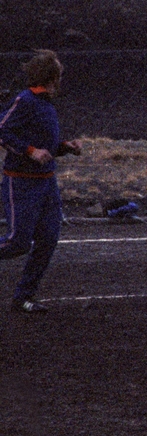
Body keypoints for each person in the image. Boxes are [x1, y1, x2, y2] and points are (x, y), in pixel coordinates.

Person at [0, 50, 82, 314]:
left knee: (48, 239)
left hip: (47, 184)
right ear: (51, 76)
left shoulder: (45, 105)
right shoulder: (25, 101)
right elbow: (2, 131)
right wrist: (30, 151)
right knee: (18, 242)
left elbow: (44, 147)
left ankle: (23, 297)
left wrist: (64, 147)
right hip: (21, 183)